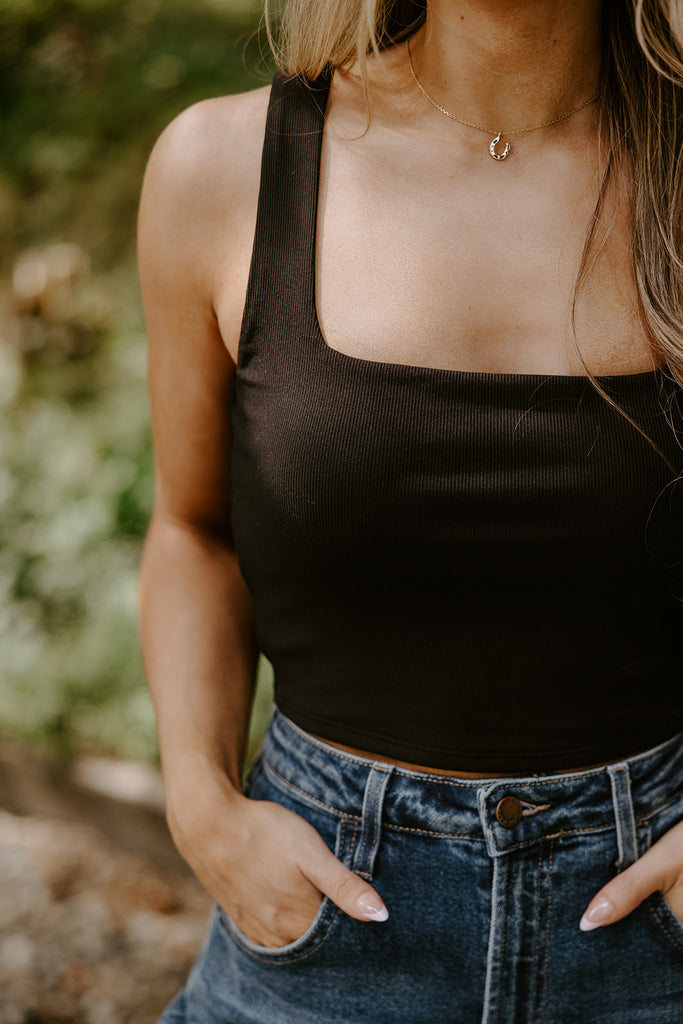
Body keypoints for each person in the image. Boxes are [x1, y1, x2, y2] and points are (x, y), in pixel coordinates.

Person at [137, 1, 683, 1021]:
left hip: (654, 931)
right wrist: (201, 803)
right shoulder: (222, 169)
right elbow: (190, 531)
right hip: (324, 914)